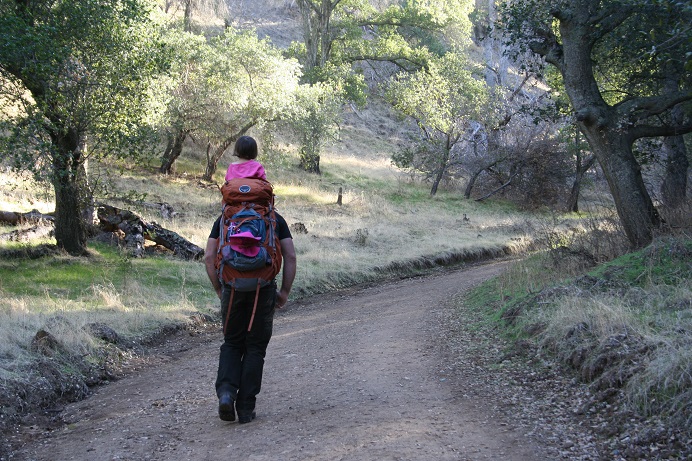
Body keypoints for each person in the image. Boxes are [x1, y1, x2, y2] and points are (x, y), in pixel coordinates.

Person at [204, 207, 296, 424]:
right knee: (255, 347)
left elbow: (209, 256)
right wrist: (284, 292)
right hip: (262, 288)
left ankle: (226, 393)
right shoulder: (273, 218)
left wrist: (219, 288)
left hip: (231, 286)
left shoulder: (225, 218)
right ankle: (245, 408)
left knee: (232, 343)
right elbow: (290, 256)